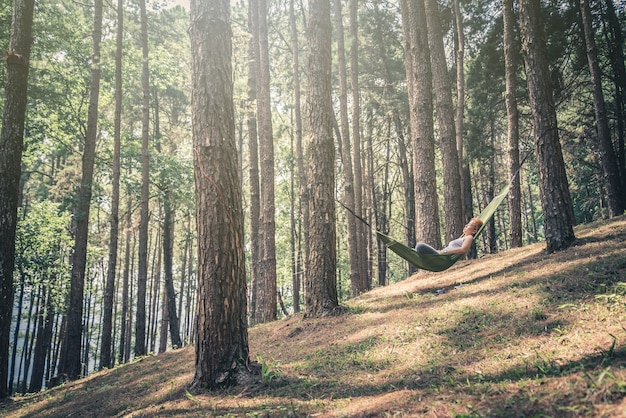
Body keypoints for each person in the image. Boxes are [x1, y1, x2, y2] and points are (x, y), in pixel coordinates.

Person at [415, 218, 484, 256]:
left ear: (474, 231)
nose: (466, 226)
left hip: (442, 257)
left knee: (420, 246)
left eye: (469, 225)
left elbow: (463, 250)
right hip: (441, 254)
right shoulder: (464, 237)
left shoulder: (469, 237)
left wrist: (443, 252)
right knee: (414, 251)